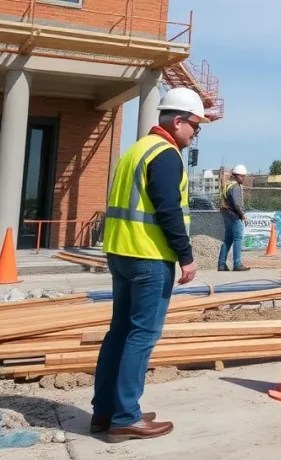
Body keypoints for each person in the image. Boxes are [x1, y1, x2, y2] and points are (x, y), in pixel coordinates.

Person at [93, 87, 205, 440]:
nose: (196, 132)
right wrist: (186, 256)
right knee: (142, 335)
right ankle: (126, 414)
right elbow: (168, 209)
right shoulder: (167, 154)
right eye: (195, 126)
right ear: (177, 121)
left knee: (120, 333)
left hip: (121, 253)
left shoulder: (136, 150)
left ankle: (106, 411)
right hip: (150, 257)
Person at [218, 164, 250, 272]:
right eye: (242, 176)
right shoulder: (235, 187)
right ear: (237, 176)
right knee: (238, 238)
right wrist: (242, 215)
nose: (243, 178)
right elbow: (237, 204)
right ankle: (237, 264)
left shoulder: (227, 185)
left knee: (228, 239)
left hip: (226, 214)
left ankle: (221, 264)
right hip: (234, 215)